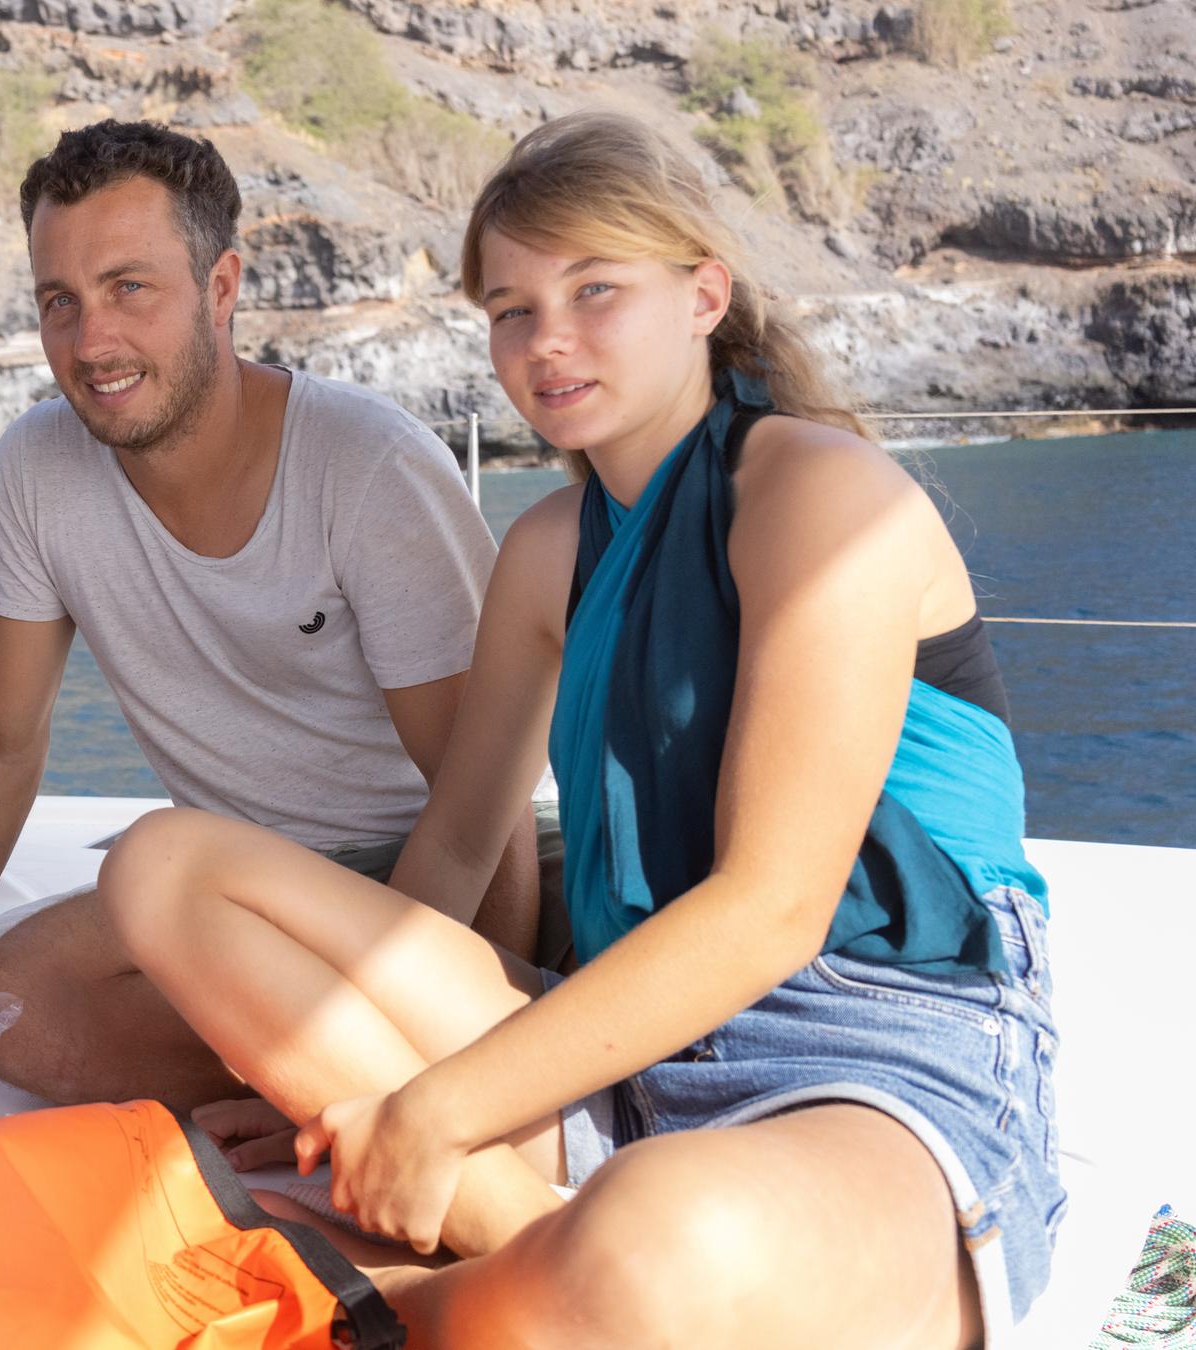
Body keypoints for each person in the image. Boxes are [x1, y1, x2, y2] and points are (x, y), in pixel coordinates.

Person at [100, 111, 1064, 1347]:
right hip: (630, 1054)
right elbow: (452, 853)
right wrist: (345, 1072)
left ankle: (412, 1288)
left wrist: (432, 1112)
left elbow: (773, 911)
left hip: (879, 1064)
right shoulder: (546, 556)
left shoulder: (824, 498)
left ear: (704, 293)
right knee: (165, 867)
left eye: (594, 290)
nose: (546, 342)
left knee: (664, 1240)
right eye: (511, 310)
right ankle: (514, 1232)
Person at [0, 119, 548, 1110]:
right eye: (59, 301)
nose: (91, 341)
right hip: (223, 889)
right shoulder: (38, 466)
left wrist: (456, 1051)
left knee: (62, 959)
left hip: (406, 882)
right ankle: (299, 1074)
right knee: (0, 1007)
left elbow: (481, 807)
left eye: (129, 288)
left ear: (223, 287)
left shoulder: (368, 468)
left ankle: (384, 1063)